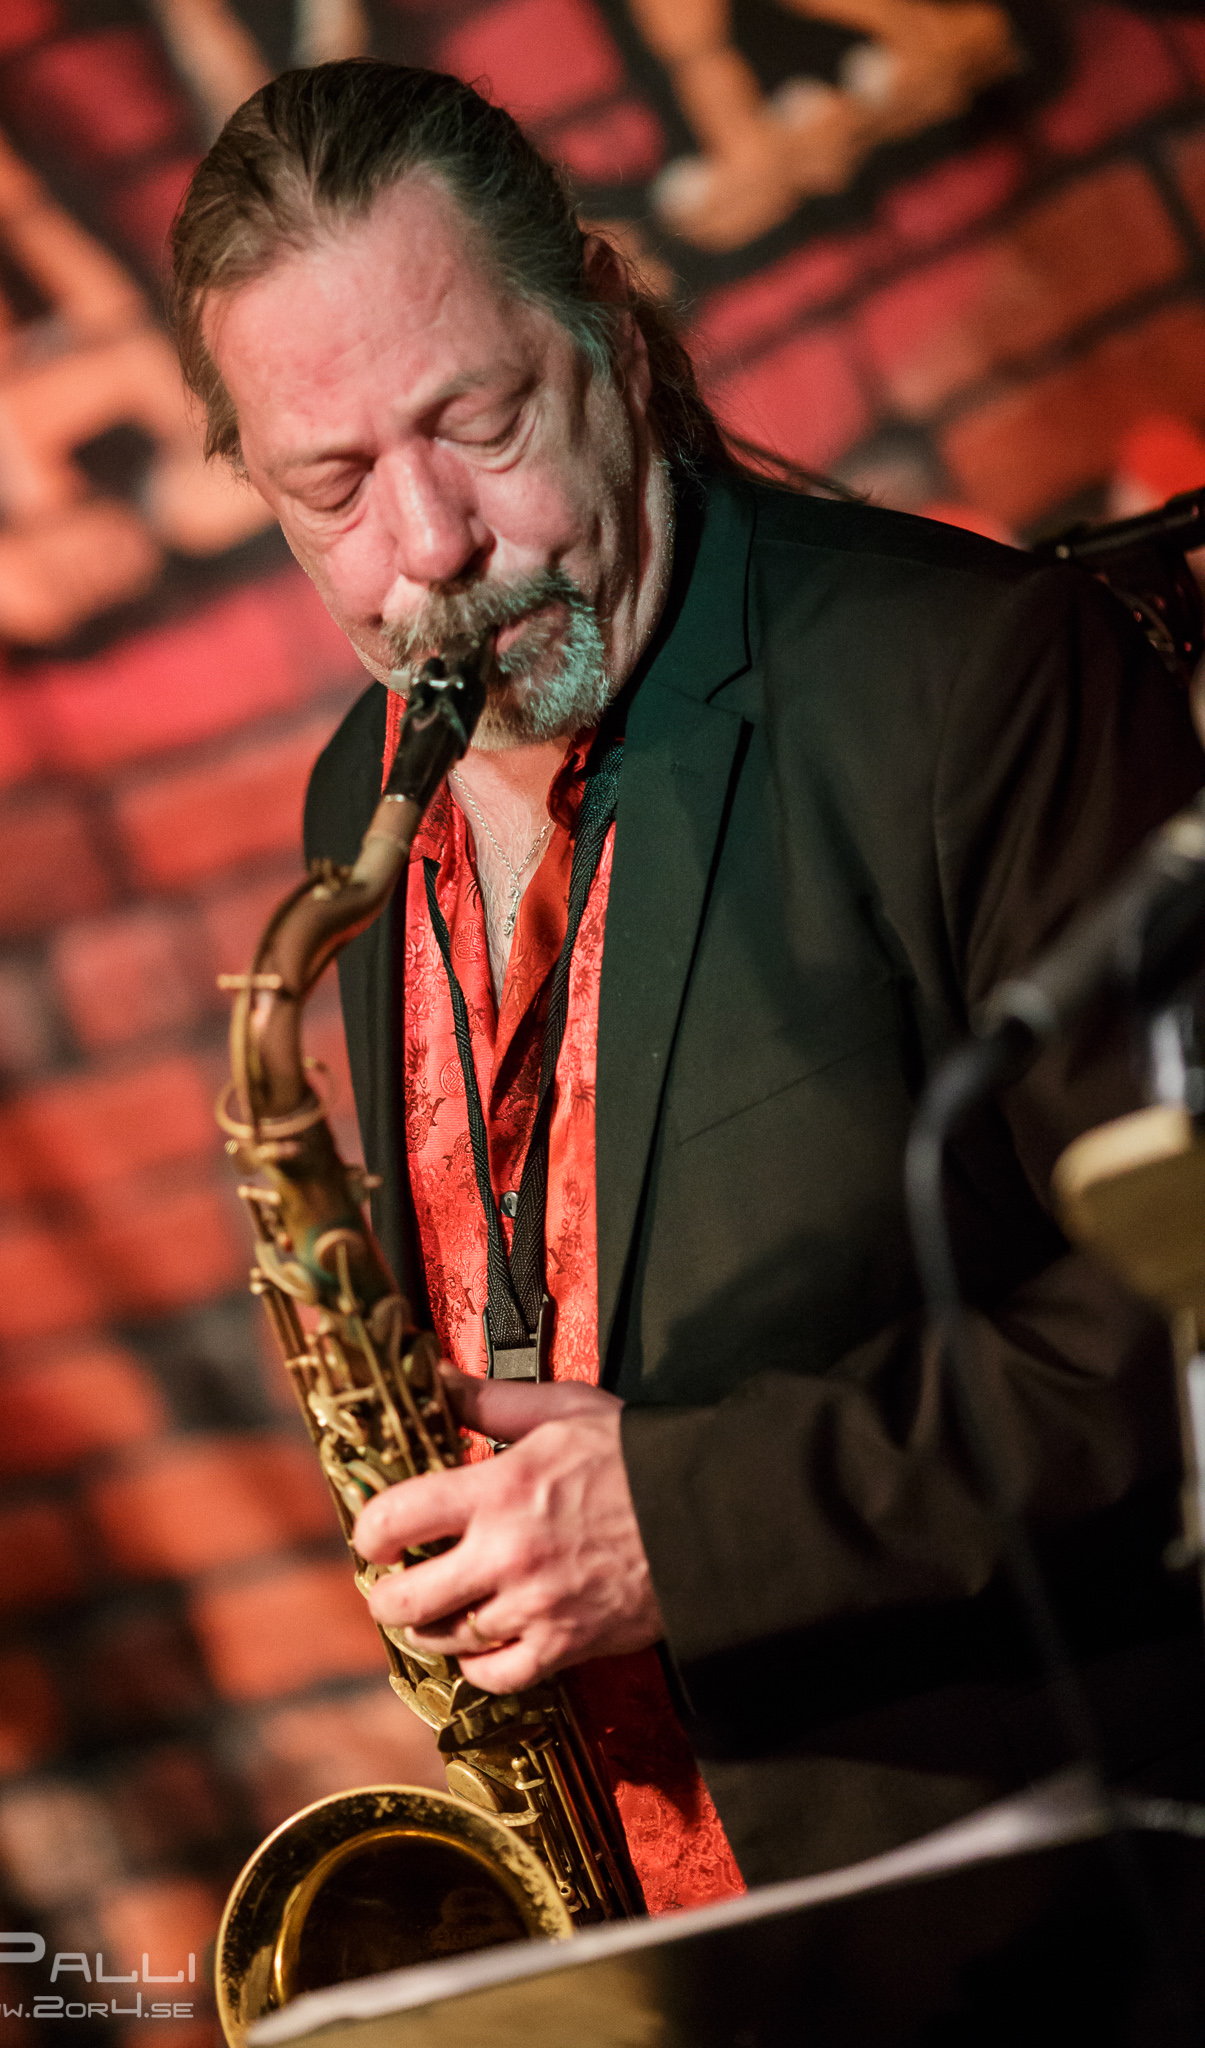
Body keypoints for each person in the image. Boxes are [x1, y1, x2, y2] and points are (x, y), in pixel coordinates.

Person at [170, 60, 1205, 1908]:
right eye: (333, 485)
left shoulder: (970, 685)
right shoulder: (361, 800)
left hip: (1042, 1903)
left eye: (478, 420)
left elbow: (1169, 1336)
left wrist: (683, 1519)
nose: (430, 551)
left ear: (608, 330)